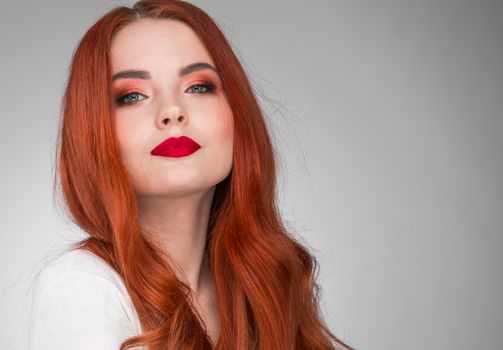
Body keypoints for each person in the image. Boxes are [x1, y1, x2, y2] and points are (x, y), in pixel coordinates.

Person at [29, 0, 355, 349]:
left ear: (237, 114)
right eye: (133, 96)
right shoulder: (81, 288)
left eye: (198, 87)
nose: (172, 112)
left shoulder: (267, 286)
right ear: (92, 132)